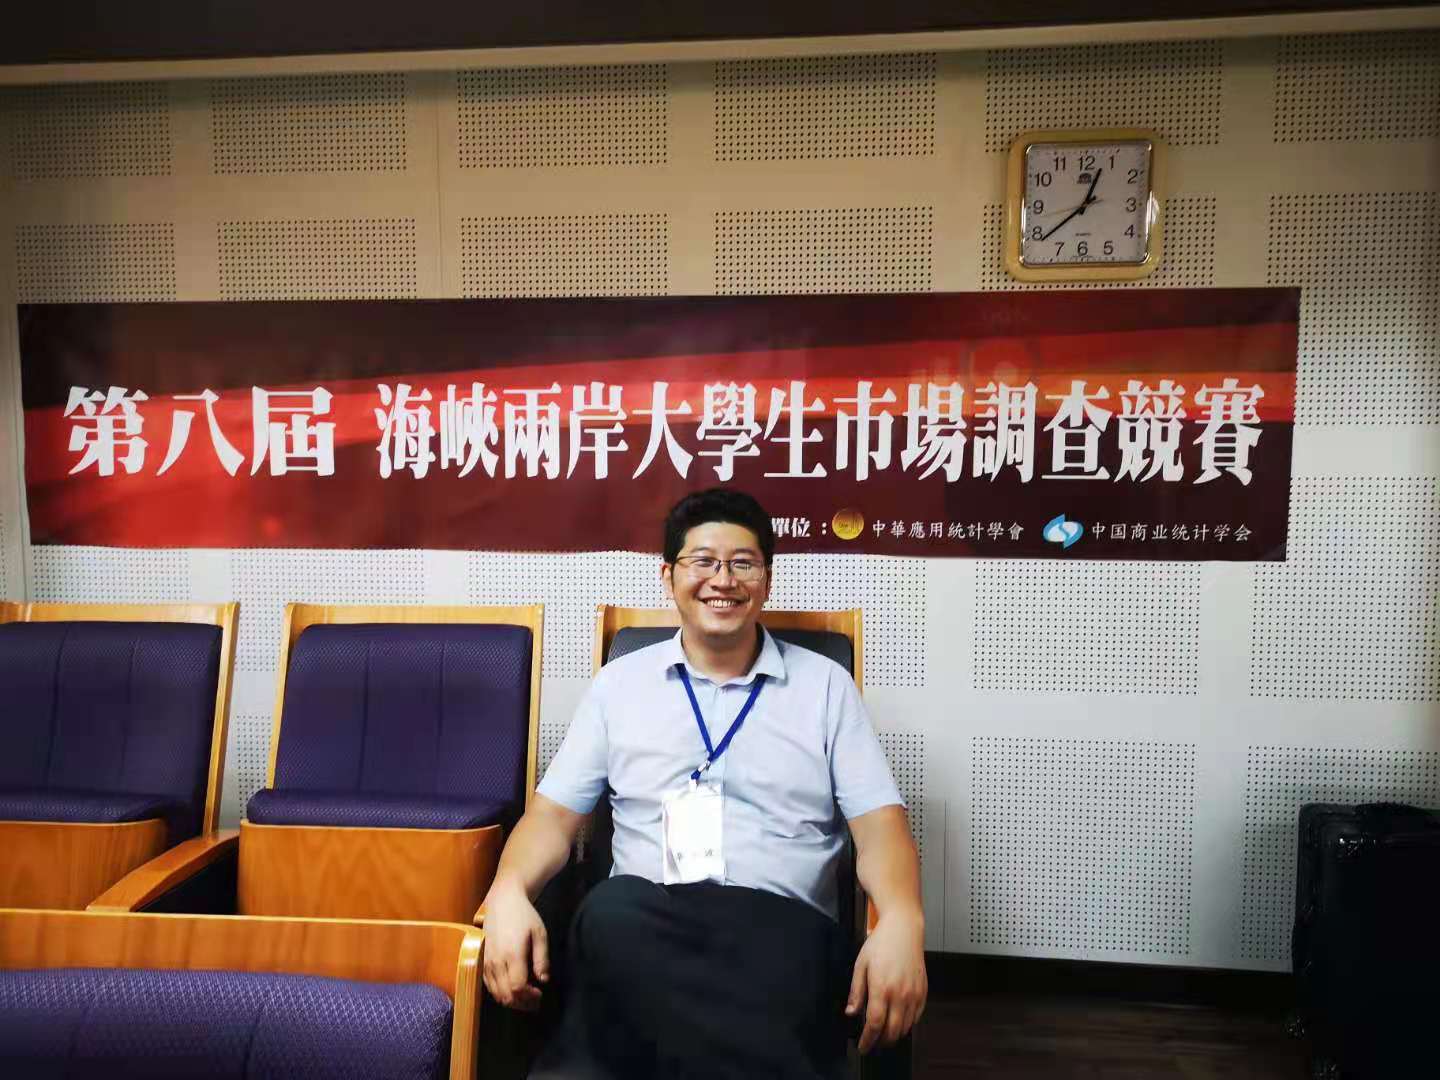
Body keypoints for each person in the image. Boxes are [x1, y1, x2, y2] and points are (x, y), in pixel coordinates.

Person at [481, 488, 927, 1079]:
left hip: (778, 930)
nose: (724, 579)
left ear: (767, 580)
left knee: (777, 960)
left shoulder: (825, 687)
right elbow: (550, 818)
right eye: (703, 561)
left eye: (743, 563)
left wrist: (902, 919)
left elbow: (881, 829)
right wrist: (509, 890)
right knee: (609, 912)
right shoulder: (619, 685)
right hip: (644, 921)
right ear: (668, 576)